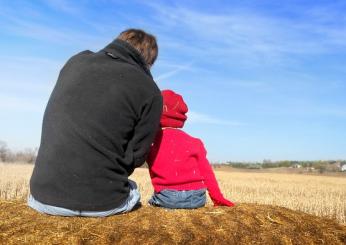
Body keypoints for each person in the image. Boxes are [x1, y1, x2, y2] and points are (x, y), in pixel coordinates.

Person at [28, 29, 162, 217]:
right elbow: (137, 155)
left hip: (40, 197)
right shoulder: (151, 91)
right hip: (101, 203)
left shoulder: (76, 61)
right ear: (148, 61)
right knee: (133, 189)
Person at [147, 90, 235, 209]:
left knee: (149, 202)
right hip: (198, 197)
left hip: (168, 198)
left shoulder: (151, 142)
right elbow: (207, 173)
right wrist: (218, 198)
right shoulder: (195, 142)